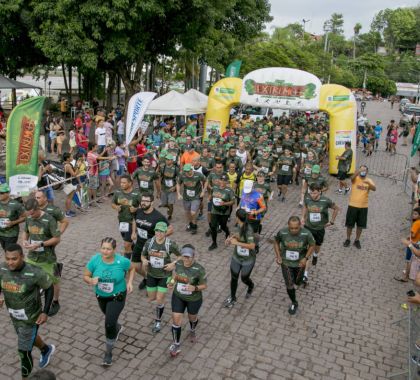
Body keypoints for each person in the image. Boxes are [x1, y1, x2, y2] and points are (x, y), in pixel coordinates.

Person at [0, 244, 55, 379]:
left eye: (14, 259)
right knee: (28, 337)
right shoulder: (2, 268)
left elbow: (49, 287)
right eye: (7, 258)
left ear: (22, 257)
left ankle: (26, 378)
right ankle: (46, 349)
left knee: (23, 351)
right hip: (14, 315)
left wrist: (45, 312)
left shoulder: (35, 272)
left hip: (31, 317)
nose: (10, 262)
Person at [84, 237, 135, 366]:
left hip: (117, 296)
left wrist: (129, 282)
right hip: (101, 296)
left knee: (108, 324)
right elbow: (85, 275)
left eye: (108, 249)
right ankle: (117, 327)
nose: (105, 251)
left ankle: (108, 352)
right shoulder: (95, 259)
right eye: (103, 248)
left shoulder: (121, 261)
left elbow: (132, 268)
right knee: (108, 317)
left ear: (114, 250)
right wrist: (90, 280)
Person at [167, 244, 207, 357]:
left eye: (188, 257)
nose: (186, 259)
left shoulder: (199, 269)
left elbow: (204, 285)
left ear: (193, 257)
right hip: (178, 296)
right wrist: (171, 282)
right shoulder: (179, 264)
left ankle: (192, 329)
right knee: (176, 319)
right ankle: (176, 344)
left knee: (192, 318)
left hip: (193, 299)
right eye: (184, 256)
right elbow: (175, 276)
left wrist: (195, 288)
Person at [34, 191, 69, 317]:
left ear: (45, 198)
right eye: (35, 197)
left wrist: (58, 234)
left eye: (38, 197)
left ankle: (55, 301)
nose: (36, 199)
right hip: (37, 245)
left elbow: (65, 221)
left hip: (50, 242)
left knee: (52, 269)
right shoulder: (34, 209)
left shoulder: (53, 210)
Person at [141, 222, 180, 333]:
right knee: (151, 298)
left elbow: (181, 256)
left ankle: (158, 321)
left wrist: (174, 263)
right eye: (157, 230)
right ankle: (160, 304)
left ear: (165, 232)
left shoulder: (170, 244)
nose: (159, 233)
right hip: (152, 274)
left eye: (161, 231)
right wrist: (144, 260)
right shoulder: (149, 242)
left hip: (165, 275)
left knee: (158, 299)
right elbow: (143, 255)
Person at [273, 216, 315, 315]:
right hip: (286, 262)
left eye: (296, 228)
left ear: (300, 225)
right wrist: (278, 256)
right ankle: (294, 302)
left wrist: (306, 258)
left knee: (298, 282)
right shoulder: (282, 232)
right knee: (289, 284)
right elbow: (276, 242)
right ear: (288, 226)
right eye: (291, 228)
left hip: (300, 263)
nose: (294, 230)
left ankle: (302, 279)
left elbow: (312, 245)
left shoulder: (306, 233)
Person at [131, 194, 173, 290]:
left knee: (151, 267)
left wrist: (159, 237)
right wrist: (134, 232)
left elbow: (170, 229)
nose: (143, 203)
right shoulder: (138, 211)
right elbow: (134, 220)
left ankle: (151, 283)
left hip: (152, 246)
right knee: (135, 266)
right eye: (142, 201)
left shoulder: (158, 216)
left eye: (146, 201)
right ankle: (147, 278)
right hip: (139, 243)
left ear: (152, 202)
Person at [301, 183, 339, 284]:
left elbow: (336, 208)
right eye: (311, 192)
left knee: (317, 246)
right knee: (307, 250)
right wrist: (302, 217)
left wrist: (332, 221)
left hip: (320, 229)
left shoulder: (326, 200)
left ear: (319, 191)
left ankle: (316, 255)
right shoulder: (307, 198)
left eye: (314, 193)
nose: (312, 195)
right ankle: (305, 274)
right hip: (308, 227)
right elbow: (305, 206)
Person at [223, 209, 256, 308]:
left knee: (244, 278)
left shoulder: (249, 229)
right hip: (237, 257)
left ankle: (250, 286)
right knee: (234, 278)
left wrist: (236, 243)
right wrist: (231, 238)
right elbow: (238, 235)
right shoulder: (239, 225)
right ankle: (233, 297)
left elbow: (252, 246)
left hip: (248, 260)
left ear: (237, 218)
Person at [343, 165, 376, 249]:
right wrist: (358, 171)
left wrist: (368, 184)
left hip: (363, 206)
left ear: (367, 172)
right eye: (362, 169)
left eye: (364, 170)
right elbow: (351, 178)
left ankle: (357, 240)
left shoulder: (369, 180)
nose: (363, 171)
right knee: (349, 224)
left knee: (360, 225)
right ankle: (348, 239)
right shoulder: (356, 178)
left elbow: (374, 188)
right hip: (352, 205)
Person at [111, 175, 140, 259]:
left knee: (126, 245)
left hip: (132, 222)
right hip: (122, 221)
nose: (122, 184)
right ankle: (138, 253)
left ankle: (126, 265)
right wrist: (116, 207)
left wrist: (136, 209)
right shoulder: (118, 192)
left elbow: (144, 207)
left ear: (130, 183)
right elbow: (113, 203)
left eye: (124, 183)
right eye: (121, 183)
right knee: (127, 241)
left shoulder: (137, 194)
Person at [177, 163, 206, 235]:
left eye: (188, 171)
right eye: (185, 171)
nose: (186, 172)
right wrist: (178, 193)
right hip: (186, 197)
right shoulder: (182, 175)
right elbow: (178, 183)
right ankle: (191, 224)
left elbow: (206, 181)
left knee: (193, 212)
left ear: (191, 169)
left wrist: (203, 191)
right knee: (187, 212)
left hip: (196, 196)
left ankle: (194, 226)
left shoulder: (198, 175)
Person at [208, 174, 235, 251]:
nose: (222, 182)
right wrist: (210, 197)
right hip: (214, 210)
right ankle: (214, 243)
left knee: (223, 226)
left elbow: (233, 202)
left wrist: (224, 203)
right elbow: (211, 194)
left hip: (224, 212)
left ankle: (227, 231)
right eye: (221, 180)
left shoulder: (229, 190)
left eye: (224, 180)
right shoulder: (215, 187)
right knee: (213, 226)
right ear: (219, 180)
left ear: (227, 182)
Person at [238, 179, 266, 252]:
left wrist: (255, 212)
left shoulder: (258, 195)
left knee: (254, 233)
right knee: (243, 230)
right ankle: (246, 243)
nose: (247, 191)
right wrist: (239, 207)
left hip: (254, 218)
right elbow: (242, 200)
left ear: (253, 186)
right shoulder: (243, 191)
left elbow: (263, 207)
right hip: (244, 217)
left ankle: (256, 245)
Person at [395, 207, 420, 282]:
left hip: (412, 244)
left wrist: (408, 238)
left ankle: (405, 277)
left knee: (408, 260)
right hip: (417, 243)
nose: (413, 215)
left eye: (415, 214)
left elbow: (413, 235)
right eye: (413, 213)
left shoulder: (416, 223)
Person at [0, 183, 26, 252]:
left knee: (9, 252)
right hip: (1, 233)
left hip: (11, 234)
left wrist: (13, 222)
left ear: (8, 193)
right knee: (5, 250)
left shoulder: (16, 204)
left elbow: (25, 217)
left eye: (1, 193)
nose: (0, 194)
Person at [158, 154, 179, 221]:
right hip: (164, 188)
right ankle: (167, 206)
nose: (167, 161)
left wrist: (175, 187)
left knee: (170, 203)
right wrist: (159, 187)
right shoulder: (163, 167)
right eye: (166, 159)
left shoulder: (176, 169)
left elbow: (179, 180)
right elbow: (160, 177)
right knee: (164, 204)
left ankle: (170, 215)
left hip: (172, 189)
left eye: (169, 160)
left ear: (172, 161)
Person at [62, 152, 79, 217]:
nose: (72, 158)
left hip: (67, 182)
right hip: (68, 183)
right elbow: (74, 174)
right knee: (69, 198)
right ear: (68, 158)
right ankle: (67, 212)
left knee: (69, 198)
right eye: (71, 157)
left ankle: (68, 210)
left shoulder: (65, 164)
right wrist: (78, 167)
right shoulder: (68, 166)